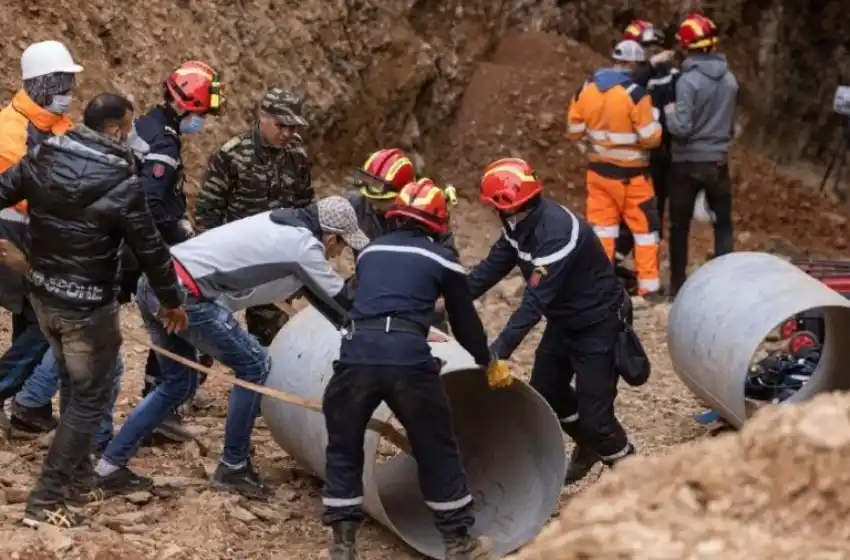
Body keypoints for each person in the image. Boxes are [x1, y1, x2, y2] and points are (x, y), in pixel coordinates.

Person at [94, 196, 367, 500]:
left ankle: (108, 466)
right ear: (330, 237)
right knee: (255, 366)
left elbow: (323, 301)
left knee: (177, 383)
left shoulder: (279, 221)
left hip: (158, 282)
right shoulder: (303, 247)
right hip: (187, 298)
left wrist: (347, 328)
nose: (339, 252)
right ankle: (234, 465)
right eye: (341, 245)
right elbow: (342, 301)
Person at [0, 92, 187, 527]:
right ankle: (46, 500)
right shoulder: (124, 182)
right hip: (88, 307)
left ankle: (81, 480)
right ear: (115, 130)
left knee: (71, 381)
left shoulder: (43, 155)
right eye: (130, 126)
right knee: (89, 398)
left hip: (42, 296)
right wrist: (172, 302)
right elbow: (153, 250)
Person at [322, 178, 502, 559]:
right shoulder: (441, 259)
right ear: (438, 220)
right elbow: (464, 321)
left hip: (356, 354)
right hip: (407, 358)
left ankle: (343, 545)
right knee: (434, 442)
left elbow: (358, 301)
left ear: (397, 215)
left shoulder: (369, 252)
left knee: (344, 444)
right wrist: (486, 361)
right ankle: (457, 541)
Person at [467, 158, 635, 485]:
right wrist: (448, 298)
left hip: (598, 325)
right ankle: (587, 445)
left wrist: (497, 352)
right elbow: (490, 268)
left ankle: (636, 480)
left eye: (492, 206)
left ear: (505, 206)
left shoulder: (557, 234)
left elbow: (533, 303)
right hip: (564, 322)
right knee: (547, 389)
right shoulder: (519, 225)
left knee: (597, 420)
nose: (491, 212)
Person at [125, 60, 225, 440]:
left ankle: (160, 401)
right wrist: (176, 229)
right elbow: (149, 201)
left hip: (132, 238)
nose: (202, 121)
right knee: (176, 314)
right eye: (201, 113)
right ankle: (160, 403)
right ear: (185, 105)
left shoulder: (147, 124)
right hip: (148, 244)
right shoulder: (164, 140)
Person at [0, 40, 82, 430]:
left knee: (30, 318)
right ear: (42, 83)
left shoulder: (57, 125)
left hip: (43, 242)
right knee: (42, 325)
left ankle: (31, 411)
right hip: (10, 241)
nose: (70, 92)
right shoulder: (9, 131)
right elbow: (33, 191)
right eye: (63, 83)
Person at [195, 87, 313, 349]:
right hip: (232, 259)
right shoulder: (232, 154)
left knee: (271, 340)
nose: (286, 133)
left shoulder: (297, 156)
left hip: (273, 261)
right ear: (263, 116)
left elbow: (305, 208)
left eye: (293, 128)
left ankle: (259, 386)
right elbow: (207, 210)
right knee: (204, 337)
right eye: (281, 125)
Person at [567, 40, 663, 297]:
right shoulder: (636, 94)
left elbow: (574, 131)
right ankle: (648, 289)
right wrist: (655, 120)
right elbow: (651, 138)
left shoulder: (587, 88)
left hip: (599, 174)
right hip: (633, 178)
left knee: (602, 231)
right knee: (644, 232)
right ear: (633, 63)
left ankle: (600, 286)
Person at [665, 13, 738, 297]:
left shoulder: (689, 81)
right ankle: (723, 286)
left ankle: (677, 288)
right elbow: (730, 124)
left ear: (686, 45)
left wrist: (669, 113)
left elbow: (682, 128)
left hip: (686, 162)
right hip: (717, 160)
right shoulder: (730, 80)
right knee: (723, 224)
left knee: (680, 226)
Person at [614, 20, 678, 266]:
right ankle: (623, 256)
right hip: (639, 152)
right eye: (647, 47)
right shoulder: (636, 77)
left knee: (652, 211)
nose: (652, 52)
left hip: (659, 152)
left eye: (655, 47)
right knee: (634, 208)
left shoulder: (670, 75)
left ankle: (643, 264)